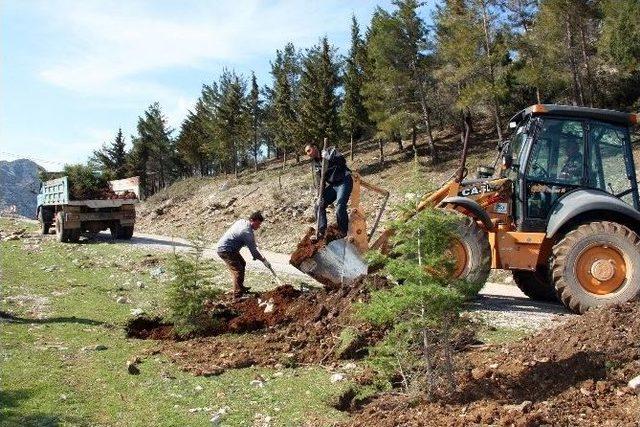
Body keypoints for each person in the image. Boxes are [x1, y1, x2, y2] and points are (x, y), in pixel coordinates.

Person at [216, 211, 272, 298]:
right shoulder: (246, 232)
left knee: (242, 263)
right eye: (258, 224)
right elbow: (254, 252)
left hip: (230, 248)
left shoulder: (242, 222)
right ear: (252, 220)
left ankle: (240, 287)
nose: (259, 226)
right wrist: (264, 260)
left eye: (260, 224)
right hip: (225, 250)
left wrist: (252, 242)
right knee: (237, 270)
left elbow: (248, 240)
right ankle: (237, 294)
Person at [305, 143, 353, 238]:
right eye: (306, 152)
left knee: (339, 206)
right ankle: (322, 231)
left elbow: (342, 161)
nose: (308, 154)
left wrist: (330, 158)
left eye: (309, 150)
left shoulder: (330, 151)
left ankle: (343, 232)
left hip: (344, 180)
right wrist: (320, 196)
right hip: (333, 185)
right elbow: (320, 182)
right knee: (318, 205)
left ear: (315, 147)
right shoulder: (315, 163)